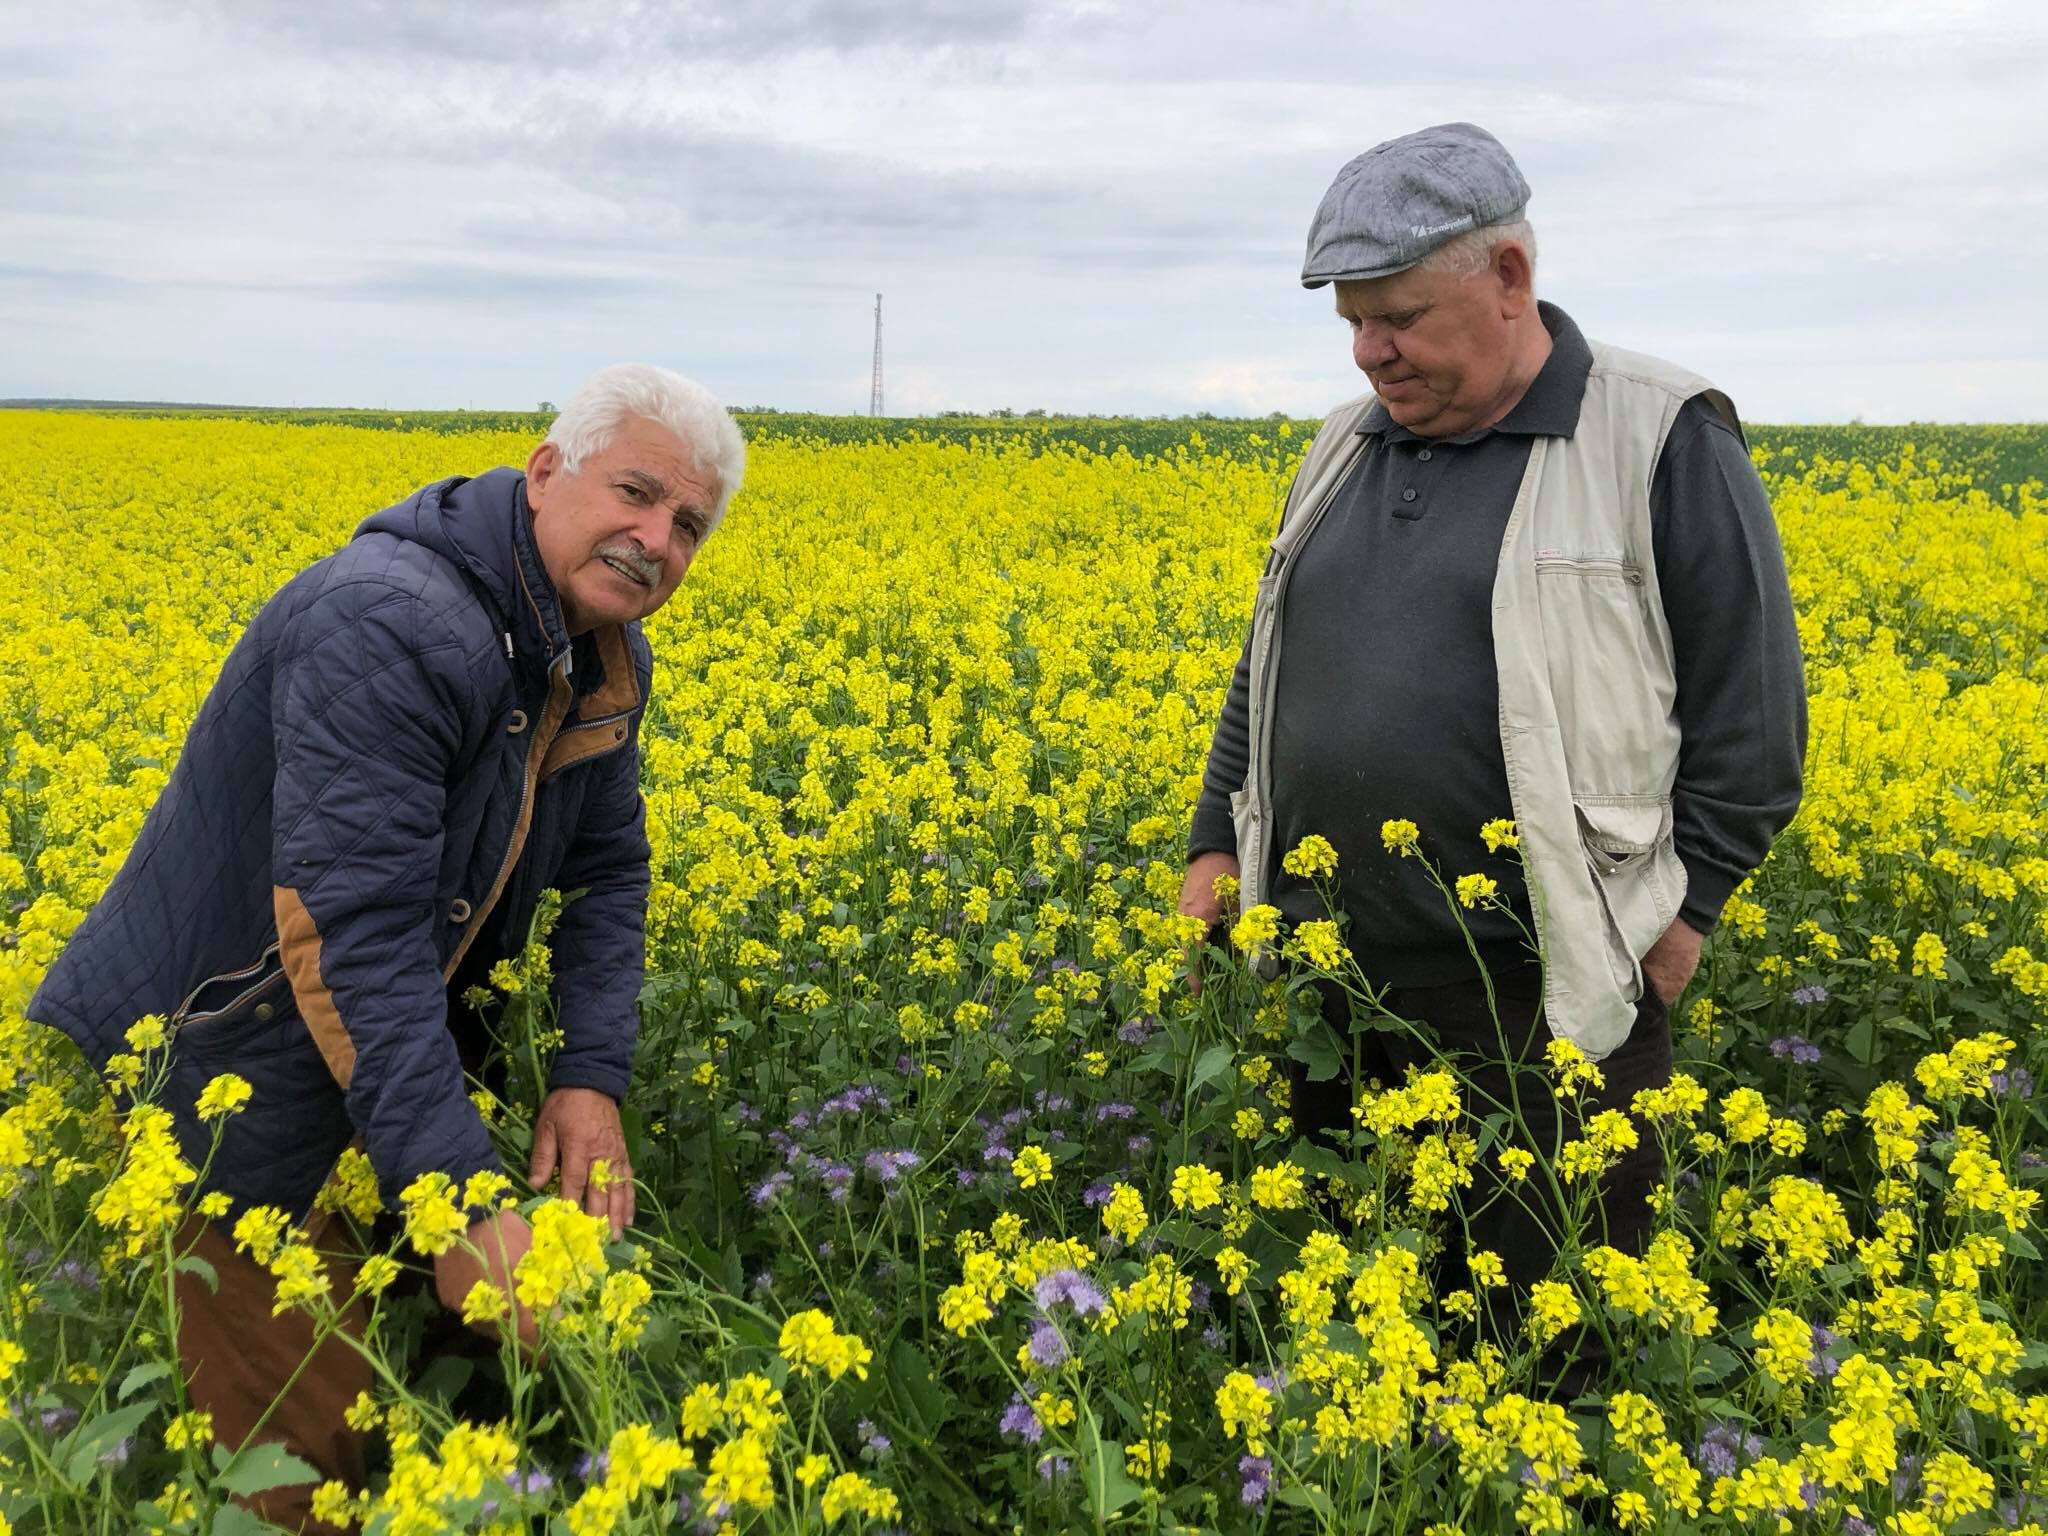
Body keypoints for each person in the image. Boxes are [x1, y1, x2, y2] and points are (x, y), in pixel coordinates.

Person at [29, 363, 745, 1529]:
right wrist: (461, 1201)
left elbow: (608, 868)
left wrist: (586, 1077)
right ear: (547, 471)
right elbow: (348, 930)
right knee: (305, 1447)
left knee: (464, 1372)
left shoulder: (597, 650)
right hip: (224, 1072)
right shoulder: (389, 621)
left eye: (686, 527)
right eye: (634, 493)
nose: (653, 539)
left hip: (380, 1054)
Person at [1179, 123, 1805, 1387]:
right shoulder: (1343, 445)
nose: (1368, 351)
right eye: (1352, 321)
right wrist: (1211, 837)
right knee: (1367, 1334)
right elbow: (1269, 656)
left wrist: (1675, 934)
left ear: (1508, 277)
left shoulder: (1657, 436)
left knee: (1539, 1358)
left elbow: (1752, 721)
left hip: (1547, 997)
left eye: (1398, 315)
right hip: (1336, 992)